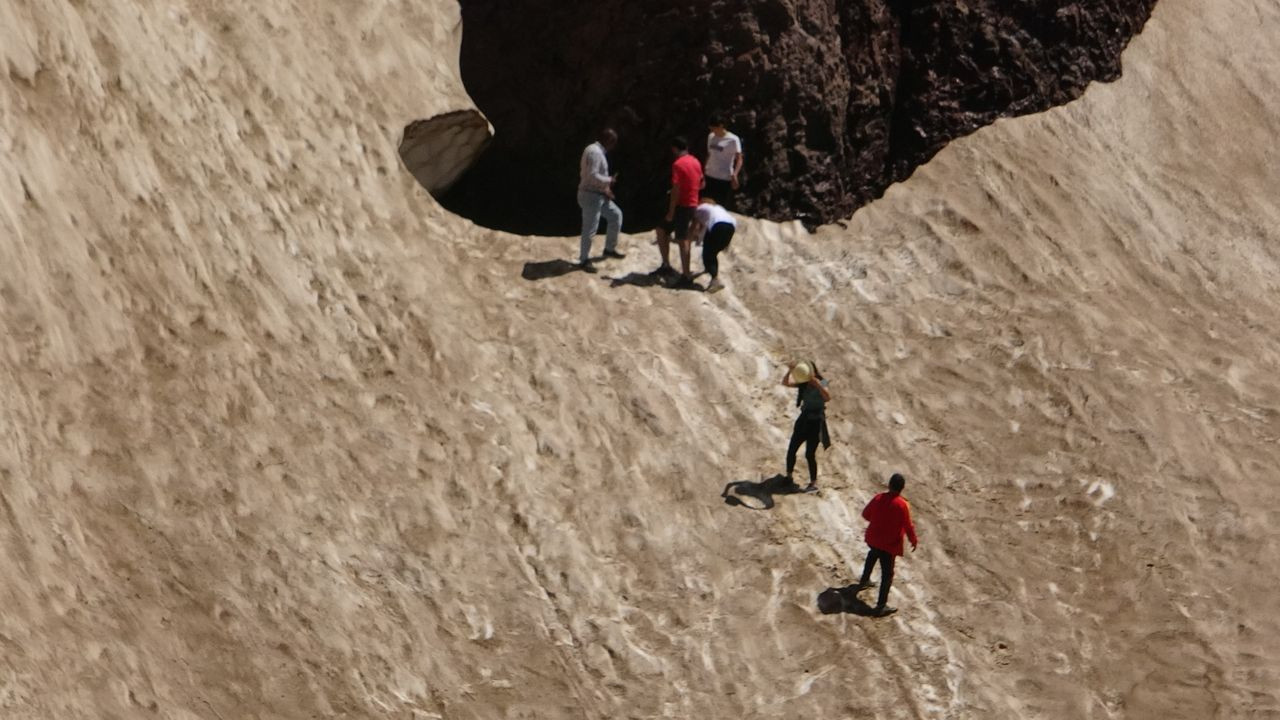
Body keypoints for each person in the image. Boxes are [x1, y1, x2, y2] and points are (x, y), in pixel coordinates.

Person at [858, 473, 919, 616]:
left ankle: (864, 580)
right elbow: (908, 526)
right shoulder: (902, 505)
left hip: (873, 539)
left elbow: (866, 514)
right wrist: (913, 540)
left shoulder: (879, 498)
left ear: (889, 484)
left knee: (872, 554)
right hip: (888, 544)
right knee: (887, 574)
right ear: (902, 488)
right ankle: (880, 606)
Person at [653, 136, 703, 283]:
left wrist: (671, 211)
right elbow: (702, 183)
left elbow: (676, 189)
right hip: (693, 203)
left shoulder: (678, 164)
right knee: (662, 230)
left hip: (682, 205)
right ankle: (666, 265)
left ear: (675, 148)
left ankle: (686, 275)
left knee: (682, 240)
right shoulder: (696, 161)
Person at [577, 129, 625, 273]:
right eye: (613, 143)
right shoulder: (596, 153)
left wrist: (606, 190)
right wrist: (609, 180)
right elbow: (592, 176)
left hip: (598, 194)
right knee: (590, 229)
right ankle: (584, 260)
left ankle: (609, 249)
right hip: (591, 196)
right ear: (609, 141)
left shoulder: (592, 149)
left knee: (616, 215)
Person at [780, 360, 830, 492]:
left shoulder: (823, 381)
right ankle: (789, 476)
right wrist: (790, 371)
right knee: (792, 448)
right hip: (804, 419)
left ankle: (813, 482)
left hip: (816, 421)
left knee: (810, 454)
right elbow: (785, 383)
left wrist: (818, 385)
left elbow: (827, 397)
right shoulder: (803, 383)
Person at [688, 197, 736, 293]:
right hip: (731, 226)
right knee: (713, 251)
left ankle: (715, 280)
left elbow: (695, 226)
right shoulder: (718, 207)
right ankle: (710, 268)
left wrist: (688, 240)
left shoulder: (700, 208)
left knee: (708, 254)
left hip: (717, 225)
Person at [704, 117, 743, 209]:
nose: (713, 131)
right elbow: (709, 154)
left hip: (723, 177)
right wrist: (704, 169)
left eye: (714, 128)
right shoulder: (711, 136)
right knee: (705, 204)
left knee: (719, 206)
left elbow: (739, 159)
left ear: (721, 126)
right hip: (709, 174)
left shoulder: (733, 139)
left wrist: (735, 174)